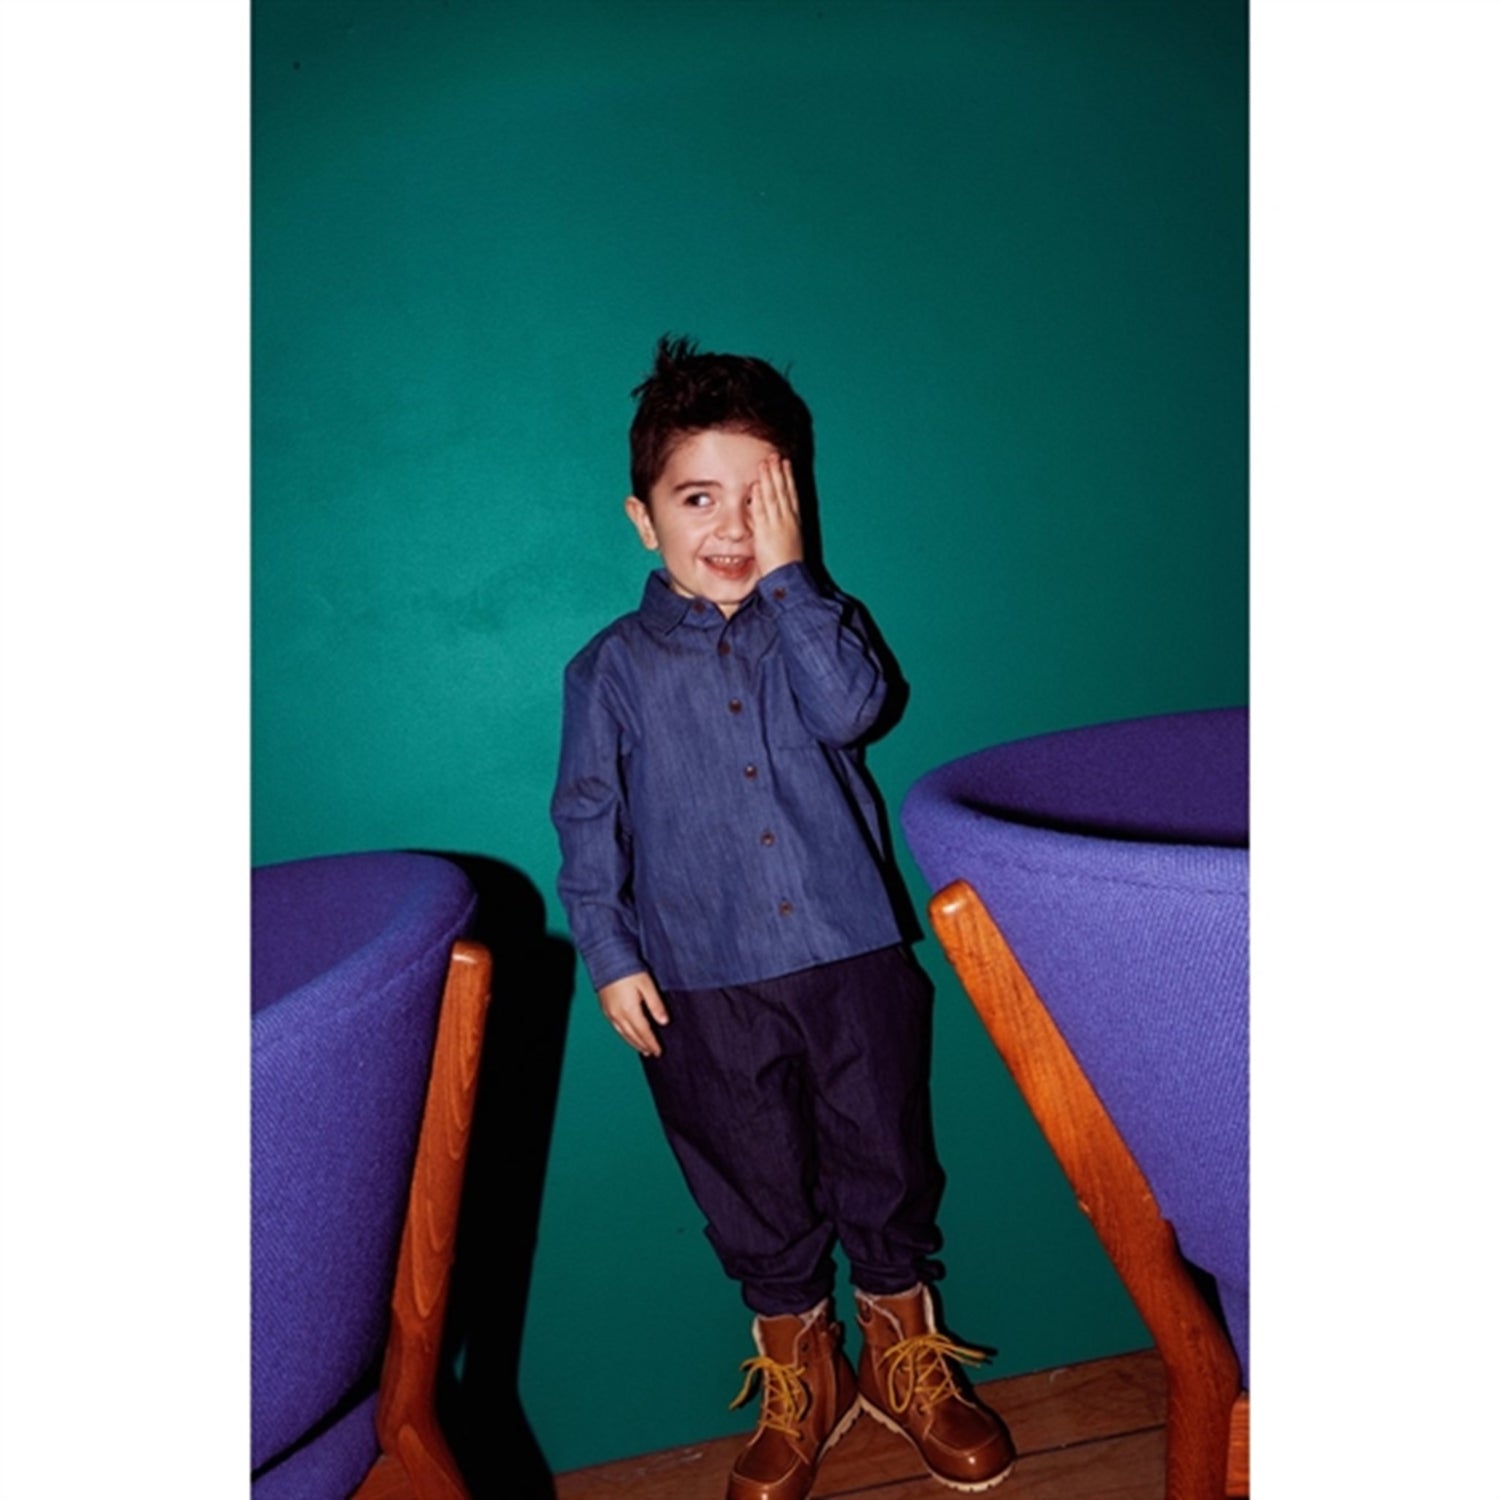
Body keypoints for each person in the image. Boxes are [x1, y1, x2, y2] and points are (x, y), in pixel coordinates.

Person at [551, 336, 1015, 1499]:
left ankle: (904, 1354)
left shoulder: (817, 625)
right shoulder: (607, 670)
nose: (730, 527)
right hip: (698, 981)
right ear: (642, 518)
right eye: (697, 498)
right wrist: (608, 950)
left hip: (854, 954)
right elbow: (587, 815)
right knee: (751, 1179)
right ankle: (803, 1365)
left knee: (885, 1156)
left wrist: (797, 581)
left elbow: (856, 710)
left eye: (757, 498)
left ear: (795, 508)